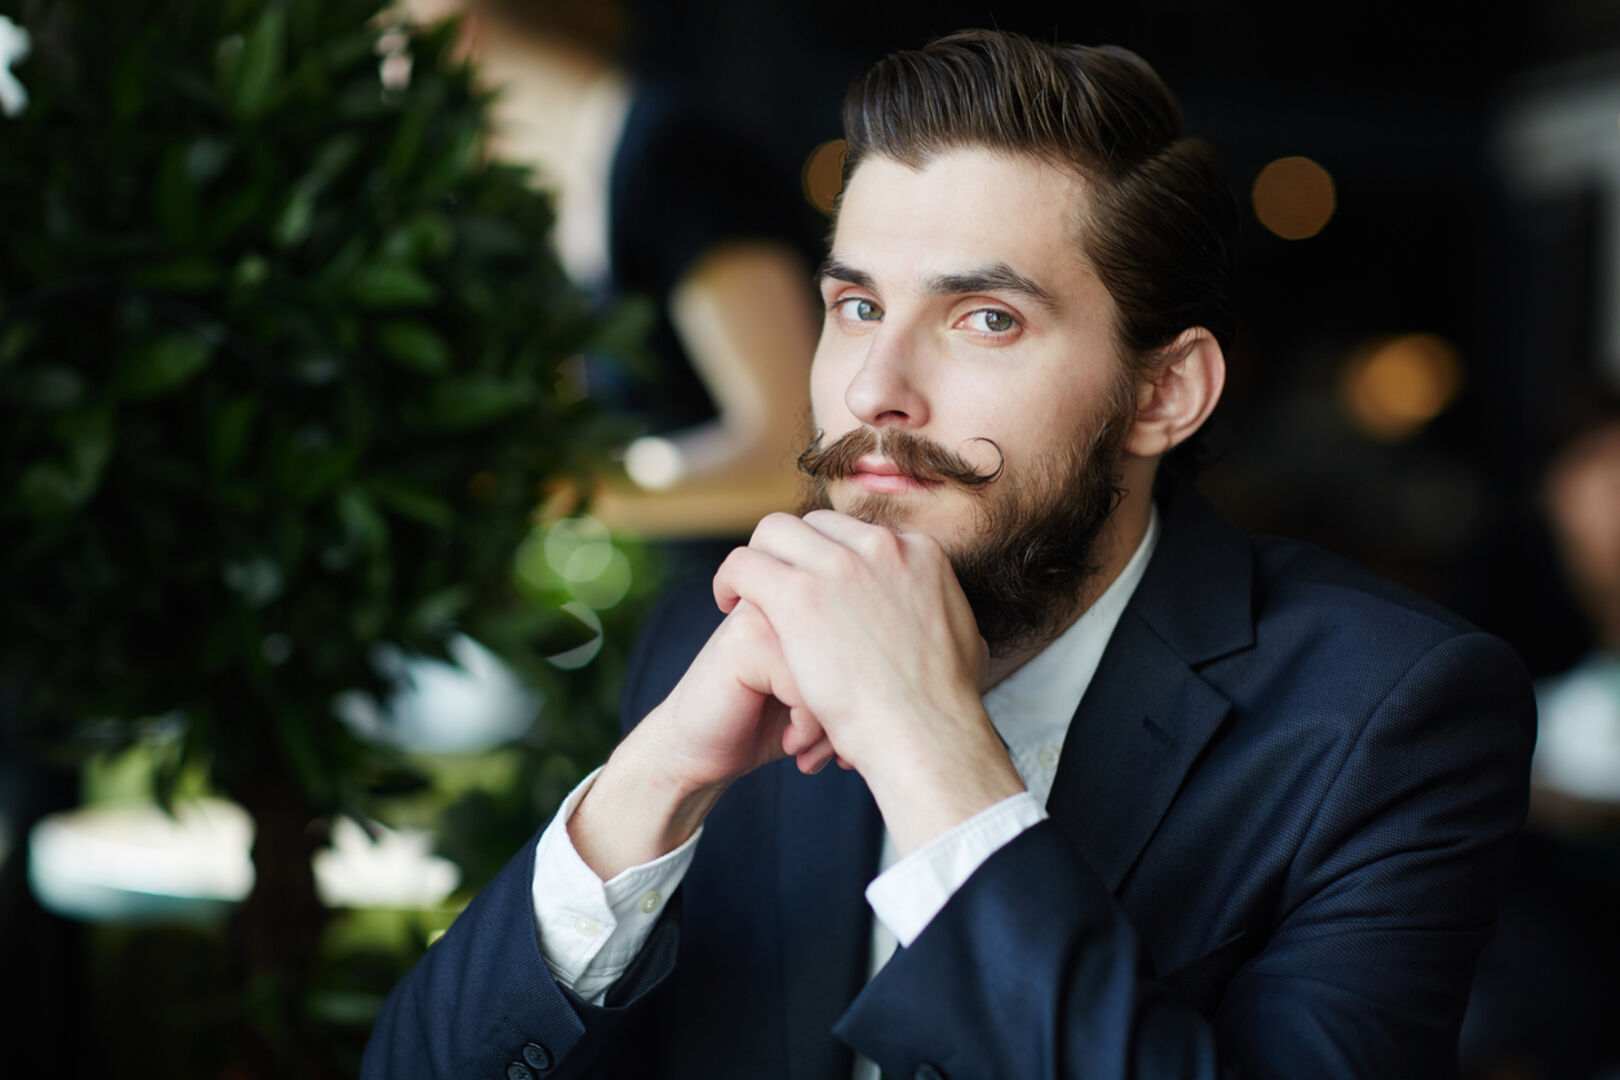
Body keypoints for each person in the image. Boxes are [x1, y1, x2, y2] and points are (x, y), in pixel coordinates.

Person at [362, 29, 1536, 1079]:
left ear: (1163, 391)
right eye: (858, 306)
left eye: (987, 320)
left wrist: (930, 749)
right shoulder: (712, 645)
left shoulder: (1390, 715)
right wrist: (648, 787)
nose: (875, 390)